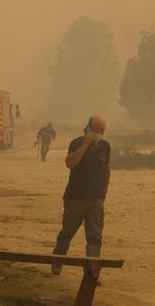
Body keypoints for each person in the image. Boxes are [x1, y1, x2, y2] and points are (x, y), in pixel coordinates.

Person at [52, 115, 111, 275]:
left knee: (95, 237)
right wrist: (85, 145)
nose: (99, 132)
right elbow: (70, 163)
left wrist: (104, 192)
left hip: (96, 199)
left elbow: (106, 169)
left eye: (102, 130)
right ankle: (57, 261)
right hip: (75, 198)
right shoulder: (76, 143)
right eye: (96, 129)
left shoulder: (105, 146)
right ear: (88, 128)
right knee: (67, 233)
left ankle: (92, 272)